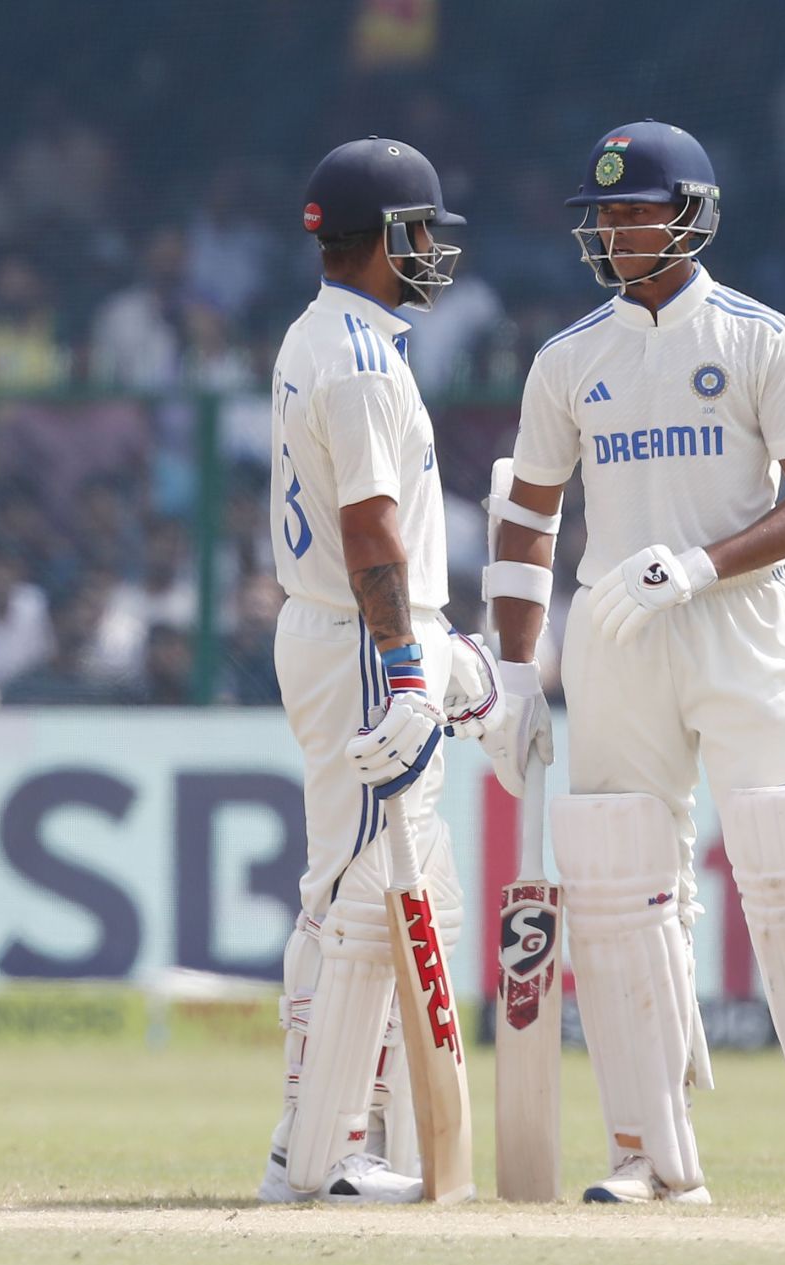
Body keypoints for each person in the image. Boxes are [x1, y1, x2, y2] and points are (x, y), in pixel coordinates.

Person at [485, 120, 785, 1206]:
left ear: (692, 215)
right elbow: (527, 515)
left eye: (637, 210)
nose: (617, 230)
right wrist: (516, 668)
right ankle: (648, 1153)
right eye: (604, 214)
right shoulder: (570, 357)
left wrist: (700, 566)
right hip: (618, 632)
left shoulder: (761, 337)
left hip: (741, 620)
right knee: (619, 879)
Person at [255, 137, 495, 1206]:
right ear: (393, 237)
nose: (436, 250)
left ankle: (359, 1134)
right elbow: (371, 532)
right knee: (352, 892)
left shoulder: (333, 336)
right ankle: (316, 1149)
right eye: (426, 232)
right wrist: (407, 668)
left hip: (354, 632)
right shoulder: (355, 356)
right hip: (360, 637)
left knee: (392, 890)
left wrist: (441, 659)